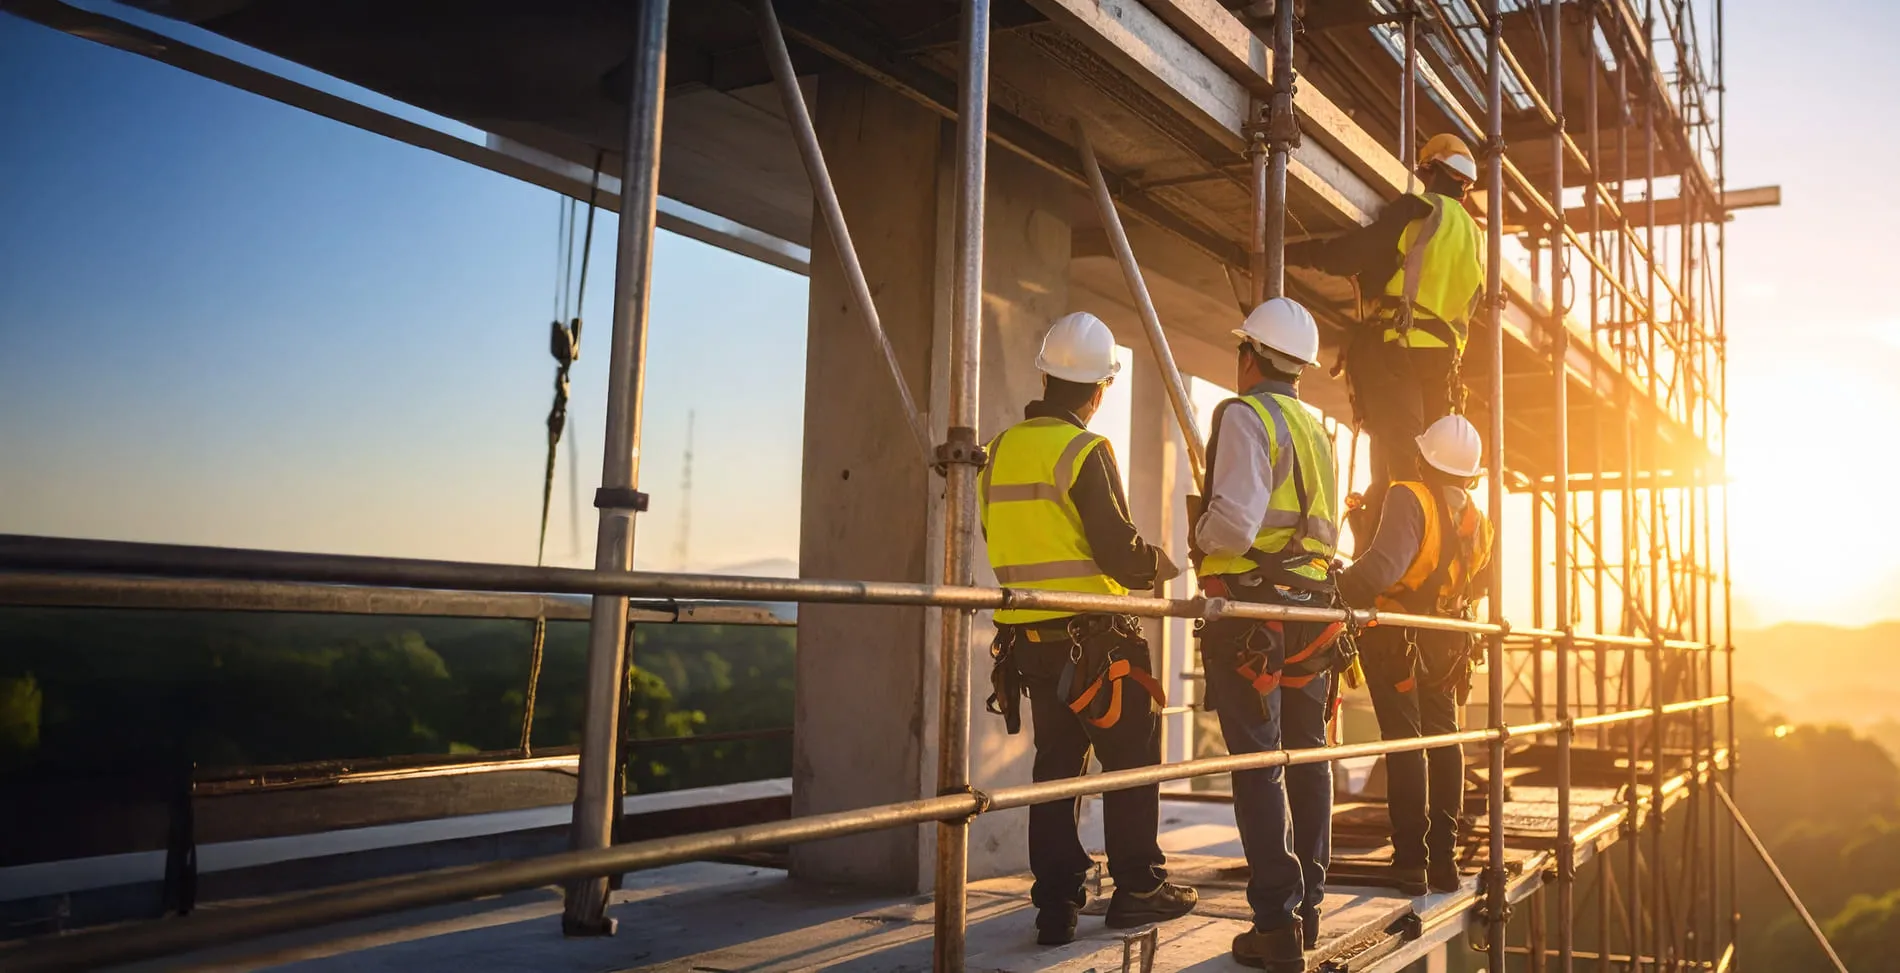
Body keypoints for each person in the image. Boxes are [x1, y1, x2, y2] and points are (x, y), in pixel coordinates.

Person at [980, 311, 1198, 946]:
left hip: (1032, 646)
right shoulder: (1084, 449)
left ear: (1045, 375)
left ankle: (1056, 900)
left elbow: (998, 538)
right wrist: (1159, 565)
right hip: (1099, 641)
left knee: (1056, 767)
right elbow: (1117, 554)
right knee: (1130, 759)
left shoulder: (998, 451)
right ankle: (1140, 886)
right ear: (1101, 389)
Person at [1192, 297, 1347, 970]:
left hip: (1254, 612)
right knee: (1308, 753)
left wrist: (1199, 536)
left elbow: (1235, 522)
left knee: (1259, 763)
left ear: (1248, 356)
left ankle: (1275, 922)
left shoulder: (1244, 414)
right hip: (1312, 609)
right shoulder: (1315, 429)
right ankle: (1307, 907)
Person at [1285, 133, 1483, 546]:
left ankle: (1389, 555)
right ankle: (1432, 553)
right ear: (1465, 187)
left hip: (1399, 346)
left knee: (1398, 464)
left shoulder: (1421, 210)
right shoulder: (1476, 237)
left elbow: (1354, 253)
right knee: (1428, 464)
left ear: (1428, 170)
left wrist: (1301, 253)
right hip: (1443, 361)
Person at [1336, 414, 1494, 896]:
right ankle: (1442, 863)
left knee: (1406, 745)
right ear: (1469, 472)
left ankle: (1410, 863)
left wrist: (1334, 586)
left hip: (1399, 641)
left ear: (1426, 459)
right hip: (1445, 643)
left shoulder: (1411, 496)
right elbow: (1480, 582)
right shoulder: (1477, 520)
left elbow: (1382, 570)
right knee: (1445, 742)